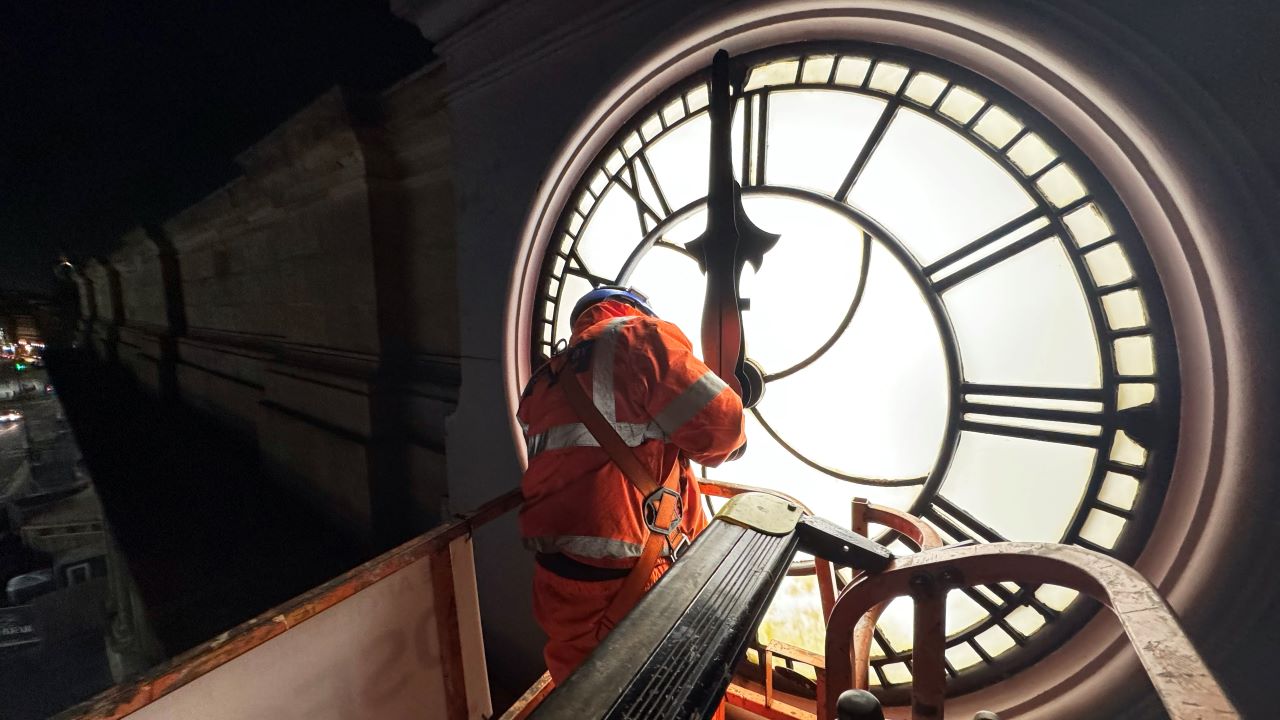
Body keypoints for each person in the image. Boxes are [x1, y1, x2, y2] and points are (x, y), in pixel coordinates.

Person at [518, 285, 746, 683]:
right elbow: (722, 430)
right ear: (636, 310)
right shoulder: (640, 337)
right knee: (675, 696)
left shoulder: (542, 381)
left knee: (581, 700)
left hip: (557, 585)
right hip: (634, 583)